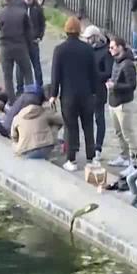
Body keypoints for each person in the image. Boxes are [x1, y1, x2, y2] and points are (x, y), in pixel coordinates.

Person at [49, 17, 99, 172]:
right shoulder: (88, 49)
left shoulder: (60, 50)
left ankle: (72, 159)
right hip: (86, 94)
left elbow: (55, 74)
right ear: (79, 31)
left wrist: (53, 94)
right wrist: (94, 92)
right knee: (88, 126)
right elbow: (94, 73)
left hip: (68, 95)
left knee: (71, 127)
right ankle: (91, 158)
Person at [105, 37, 137, 170]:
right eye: (110, 48)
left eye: (112, 47)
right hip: (113, 101)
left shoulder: (128, 64)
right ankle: (124, 156)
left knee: (127, 133)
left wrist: (115, 85)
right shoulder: (116, 61)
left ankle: (134, 161)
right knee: (118, 132)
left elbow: (132, 85)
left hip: (123, 103)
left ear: (120, 47)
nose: (110, 50)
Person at [0, 0, 34, 97]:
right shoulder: (22, 13)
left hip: (5, 47)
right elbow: (28, 30)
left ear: (4, 0)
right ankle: (30, 97)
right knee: (27, 72)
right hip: (20, 46)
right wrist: (29, 45)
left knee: (7, 75)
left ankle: (11, 100)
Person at [82, 25, 112, 160]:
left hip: (99, 90)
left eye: (89, 38)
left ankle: (98, 147)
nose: (87, 41)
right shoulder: (87, 50)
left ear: (95, 37)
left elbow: (108, 72)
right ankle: (89, 146)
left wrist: (93, 74)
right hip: (87, 89)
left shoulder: (105, 52)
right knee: (87, 119)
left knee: (99, 119)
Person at [19, 0, 47, 88]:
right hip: (21, 42)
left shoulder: (38, 8)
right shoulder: (19, 6)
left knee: (36, 65)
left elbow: (42, 23)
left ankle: (39, 86)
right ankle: (20, 88)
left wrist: (40, 36)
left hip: (33, 41)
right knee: (20, 66)